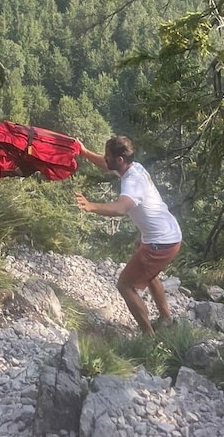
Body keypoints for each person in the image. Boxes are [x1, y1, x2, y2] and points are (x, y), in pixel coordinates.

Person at [75, 135, 182, 335]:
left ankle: (149, 338)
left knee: (125, 285)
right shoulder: (134, 167)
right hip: (168, 234)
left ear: (120, 160)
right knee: (148, 272)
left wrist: (91, 206)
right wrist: (84, 151)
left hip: (162, 242)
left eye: (108, 156)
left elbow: (121, 208)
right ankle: (166, 319)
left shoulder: (132, 182)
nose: (105, 159)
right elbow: (106, 164)